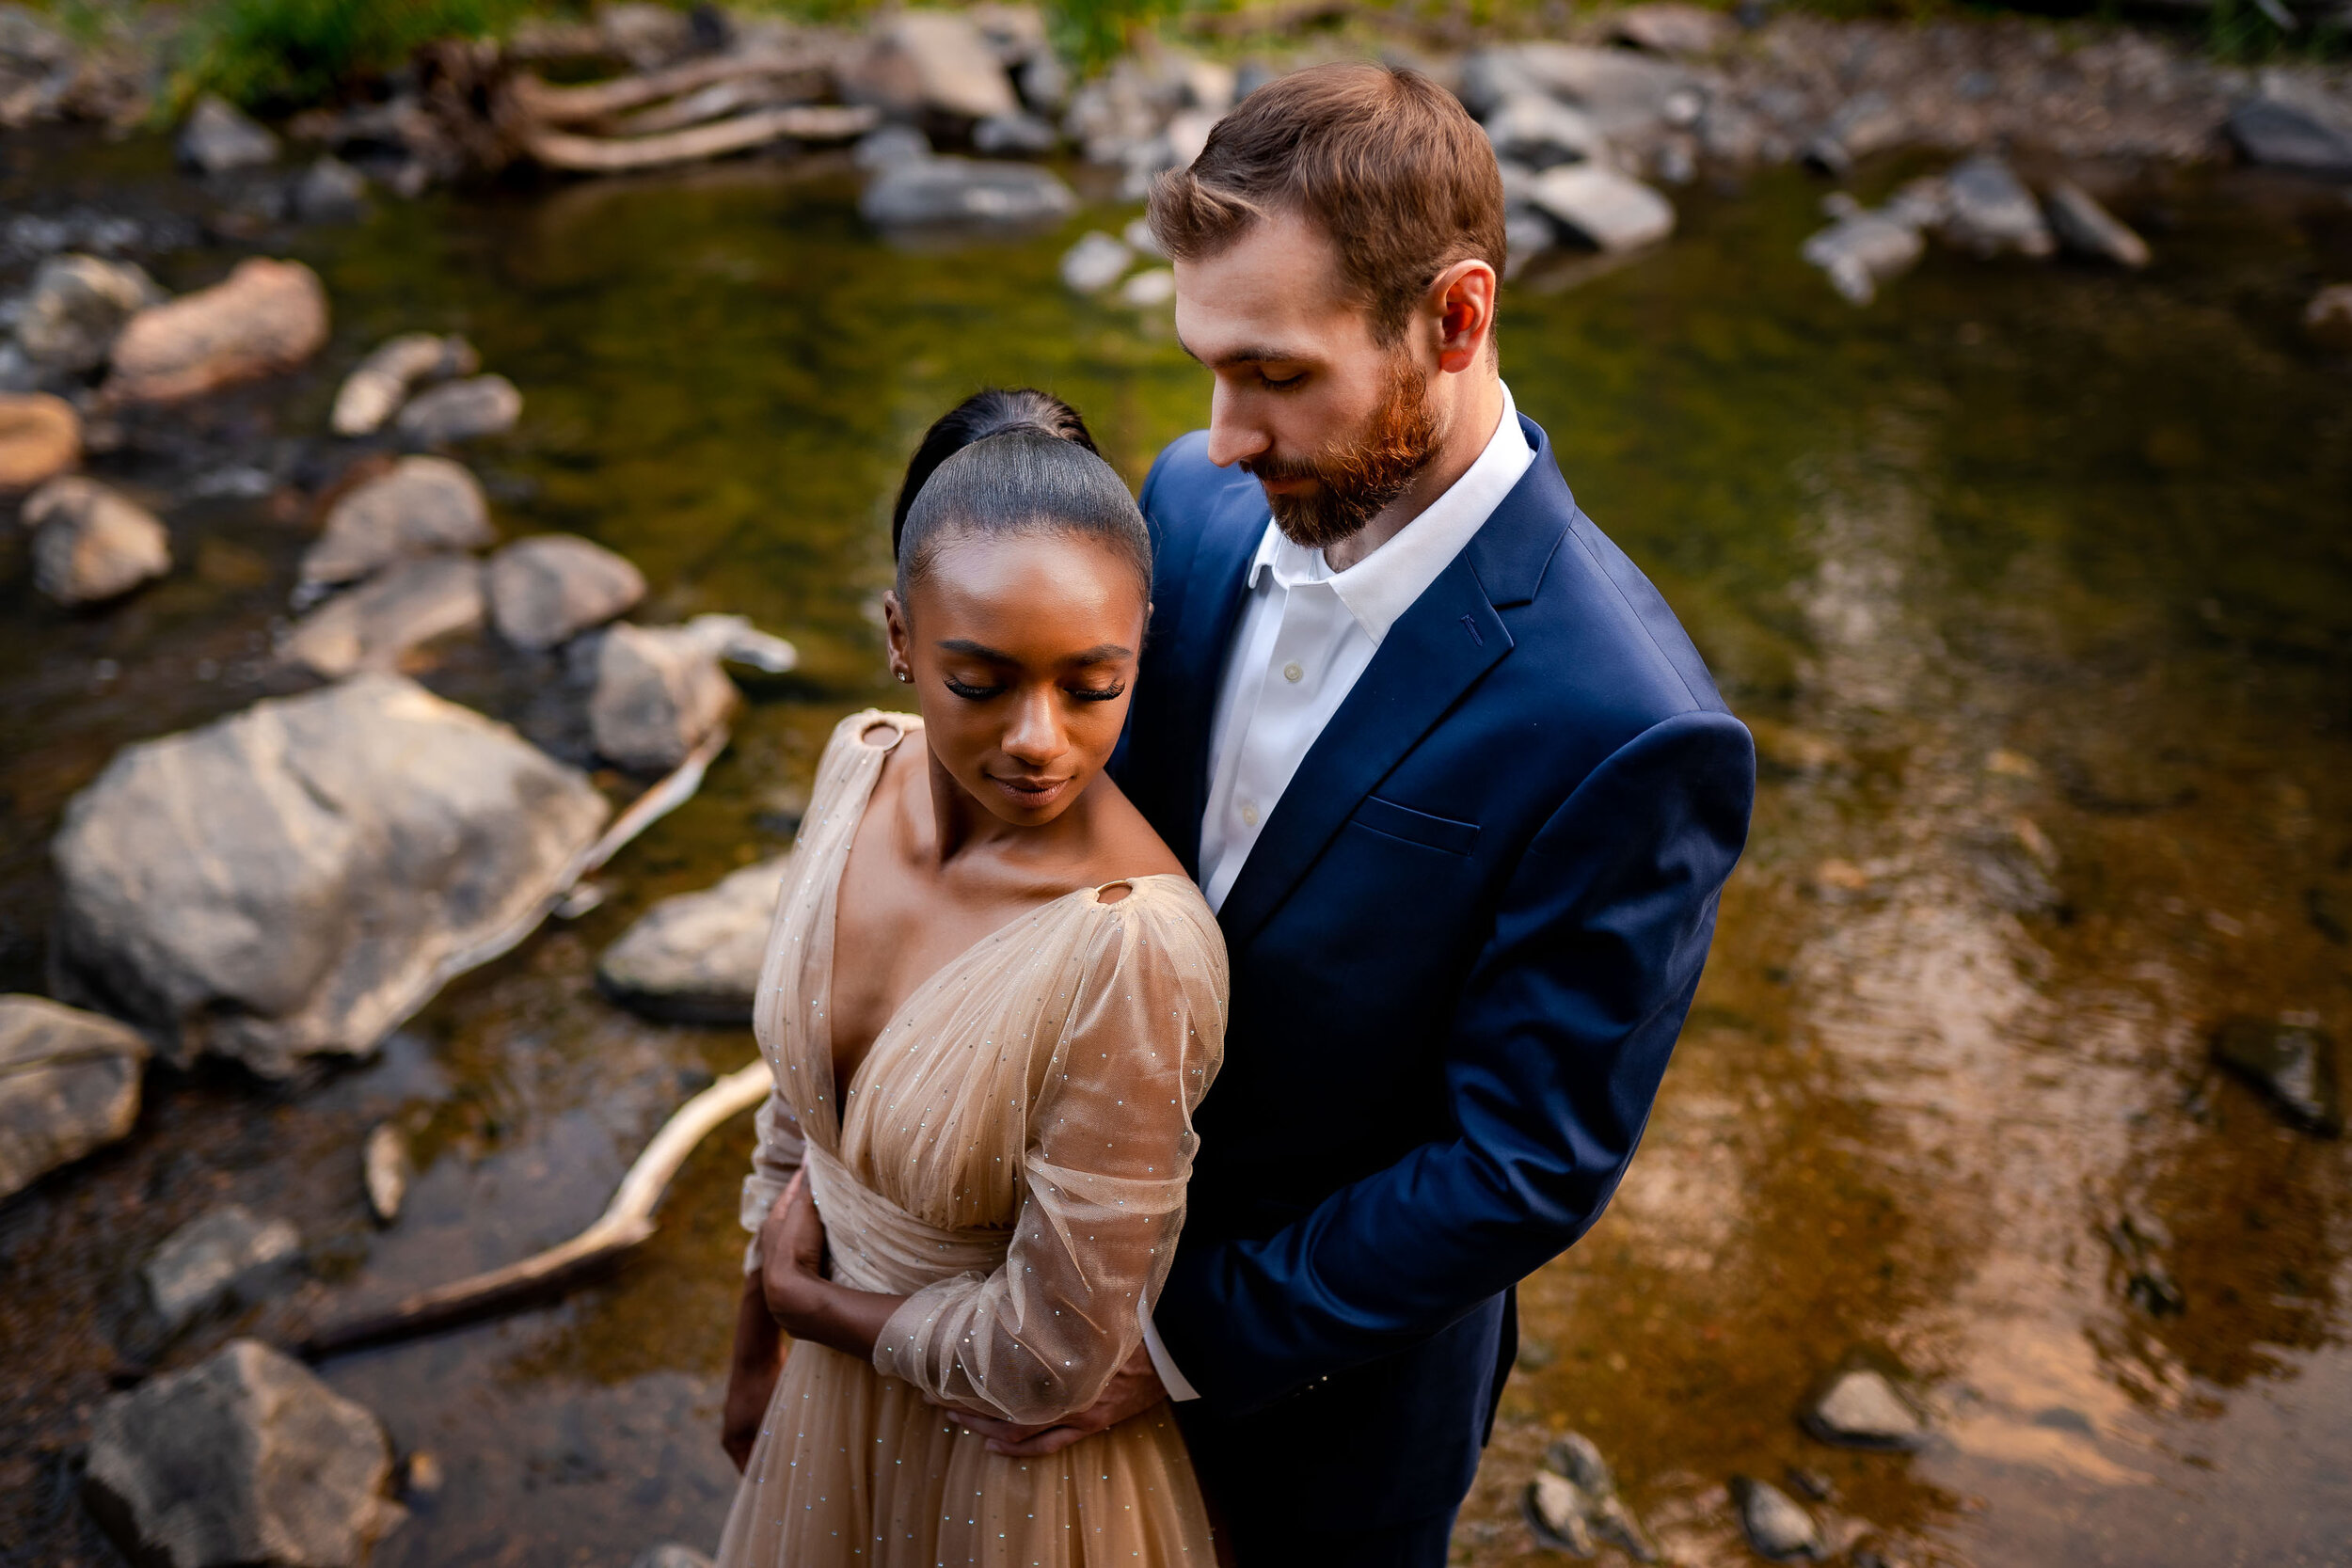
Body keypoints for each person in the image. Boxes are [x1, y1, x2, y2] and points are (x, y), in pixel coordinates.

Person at [947, 65, 1758, 1564]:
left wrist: (1173, 1345)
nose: (1226, 432)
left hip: (1318, 1418)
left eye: (1275, 371)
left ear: (1454, 319)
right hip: (1031, 1279)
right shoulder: (1188, 502)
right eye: (1206, 363)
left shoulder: (1633, 728)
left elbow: (1521, 1160)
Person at [712, 390, 1227, 1567]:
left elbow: (1057, 1351)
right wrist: (752, 1350)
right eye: (981, 681)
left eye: (1092, 686)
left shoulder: (1130, 945)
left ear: (1139, 642)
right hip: (825, 1412)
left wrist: (816, 1313)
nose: (1039, 738)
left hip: (1010, 1477)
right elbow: (799, 1116)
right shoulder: (855, 765)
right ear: (899, 638)